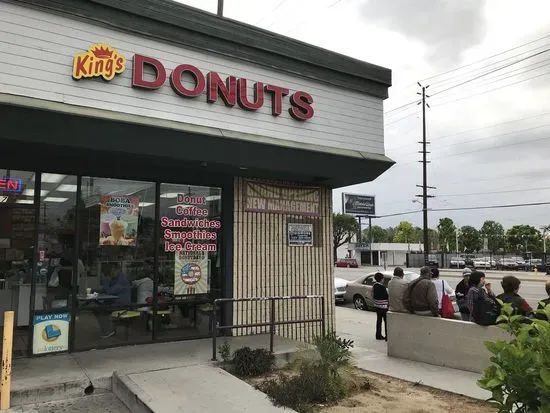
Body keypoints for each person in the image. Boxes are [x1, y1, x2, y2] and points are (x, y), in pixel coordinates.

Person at [94, 262, 131, 338]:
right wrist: (94, 291)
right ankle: (107, 328)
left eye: (112, 271)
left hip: (122, 304)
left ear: (118, 270)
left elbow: (110, 291)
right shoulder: (115, 279)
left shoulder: (122, 280)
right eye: (110, 271)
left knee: (101, 309)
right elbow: (105, 290)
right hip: (113, 302)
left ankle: (109, 330)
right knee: (95, 308)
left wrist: (105, 279)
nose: (111, 273)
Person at [373, 272, 388, 340]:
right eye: (383, 278)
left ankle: (378, 335)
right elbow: (386, 296)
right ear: (381, 279)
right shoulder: (382, 287)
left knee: (379, 320)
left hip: (377, 306)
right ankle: (387, 335)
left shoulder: (374, 286)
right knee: (386, 321)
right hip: (383, 306)